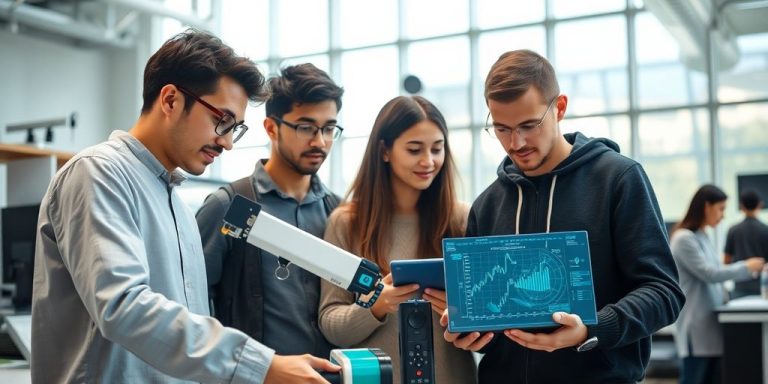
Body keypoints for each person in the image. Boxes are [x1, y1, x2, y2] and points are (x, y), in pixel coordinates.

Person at [32, 30, 339, 384]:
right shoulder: (98, 173)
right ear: (171, 100)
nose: (226, 142)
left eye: (235, 129)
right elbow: (123, 307)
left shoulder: (175, 202)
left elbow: (189, 328)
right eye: (221, 121)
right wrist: (262, 365)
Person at [440, 49, 685, 383]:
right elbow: (492, 329)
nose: (516, 142)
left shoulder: (618, 179)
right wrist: (471, 334)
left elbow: (664, 292)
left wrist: (591, 329)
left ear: (560, 108)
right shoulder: (488, 205)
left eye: (529, 125)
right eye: (501, 128)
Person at [318, 96, 477, 384]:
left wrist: (463, 311)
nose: (428, 161)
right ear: (385, 151)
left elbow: (490, 318)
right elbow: (330, 324)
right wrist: (375, 306)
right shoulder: (347, 223)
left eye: (437, 149)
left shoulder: (461, 220)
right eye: (414, 149)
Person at [196, 63, 344, 359]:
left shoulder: (338, 212)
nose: (320, 141)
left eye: (329, 128)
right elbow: (192, 309)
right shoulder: (230, 207)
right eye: (306, 127)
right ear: (271, 128)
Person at [671, 185, 764, 384]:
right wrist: (746, 267)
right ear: (706, 206)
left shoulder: (703, 237)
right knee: (694, 378)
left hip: (710, 324)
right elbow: (710, 273)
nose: (723, 216)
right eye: (721, 209)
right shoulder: (683, 239)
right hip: (696, 327)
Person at [724, 189, 768, 298]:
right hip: (762, 288)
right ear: (760, 204)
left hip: (740, 288)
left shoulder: (733, 230)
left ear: (741, 206)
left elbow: (726, 261)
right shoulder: (766, 230)